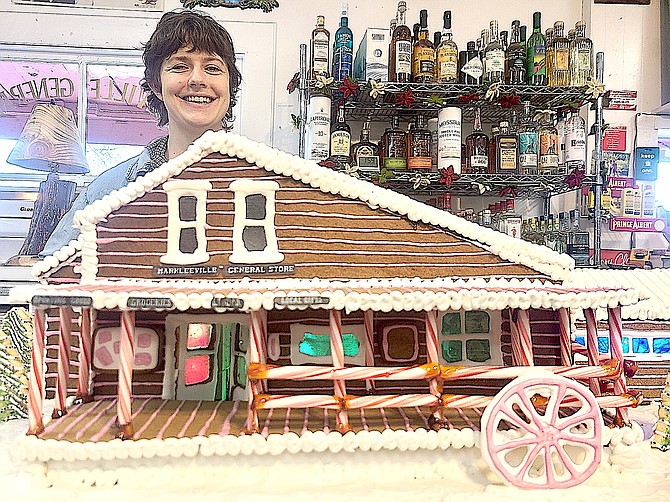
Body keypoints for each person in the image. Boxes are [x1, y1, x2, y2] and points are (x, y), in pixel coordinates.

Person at [41, 9, 242, 257]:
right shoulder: (107, 191)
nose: (197, 79)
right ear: (157, 86)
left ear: (229, 86)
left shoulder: (274, 184)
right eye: (180, 66)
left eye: (212, 68)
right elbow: (53, 276)